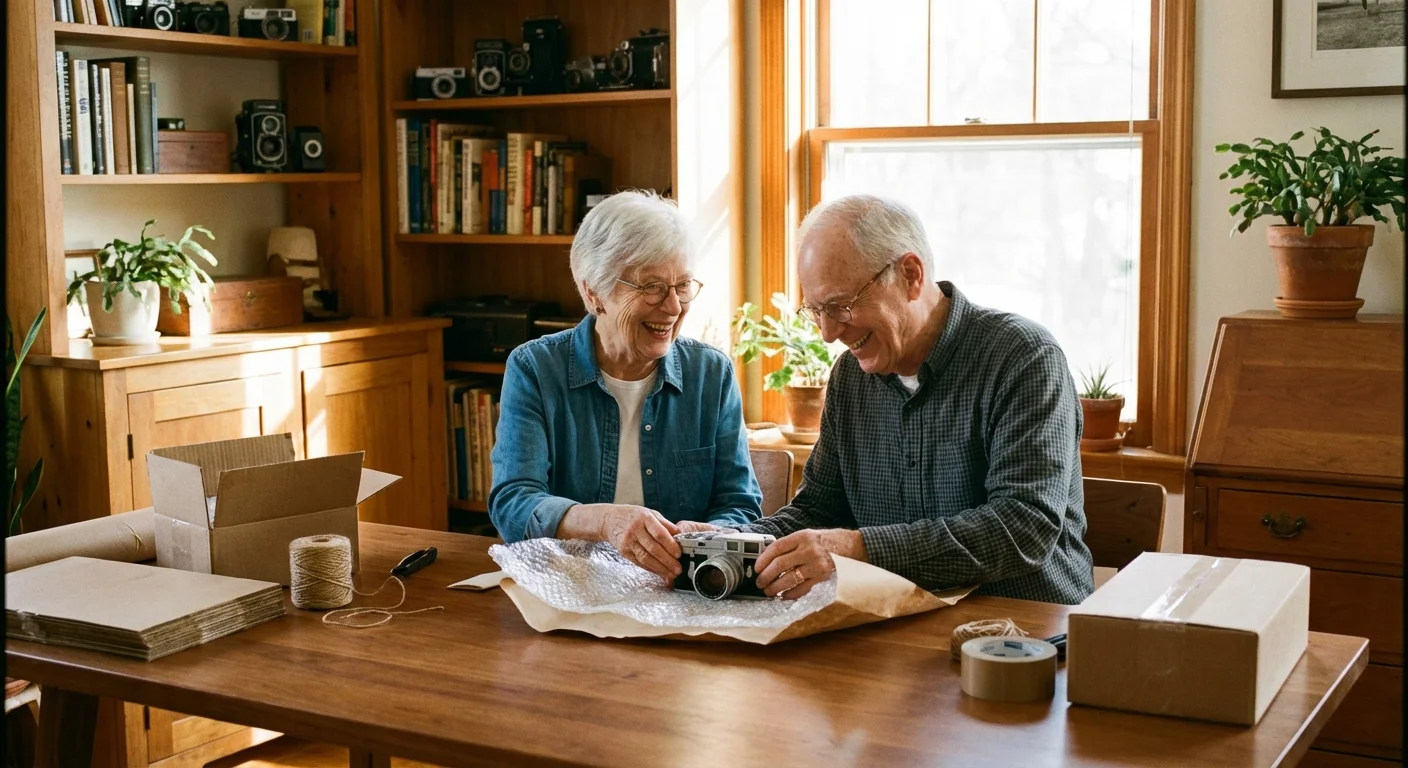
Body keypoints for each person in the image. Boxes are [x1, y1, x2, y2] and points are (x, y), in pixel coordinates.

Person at [746, 193, 1095, 604]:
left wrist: (861, 549)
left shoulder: (1023, 358)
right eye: (816, 310)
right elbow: (817, 511)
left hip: (1028, 634)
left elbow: (1023, 527)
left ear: (910, 275)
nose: (827, 333)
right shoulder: (850, 379)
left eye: (840, 305)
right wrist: (726, 543)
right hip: (893, 630)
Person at [490, 190, 763, 580]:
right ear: (594, 293)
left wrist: (711, 534)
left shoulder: (711, 374)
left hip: (680, 592)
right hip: (570, 588)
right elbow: (513, 503)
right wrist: (604, 521)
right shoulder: (535, 369)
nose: (672, 307)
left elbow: (739, 504)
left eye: (682, 285)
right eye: (651, 287)